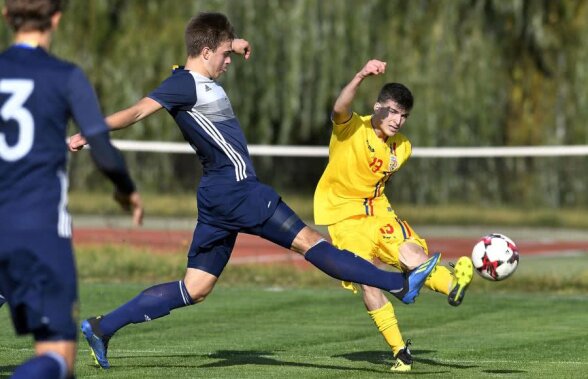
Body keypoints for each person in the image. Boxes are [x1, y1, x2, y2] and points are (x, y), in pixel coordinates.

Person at [67, 12, 441, 369]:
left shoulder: (199, 73)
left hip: (217, 196)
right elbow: (135, 112)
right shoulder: (182, 84)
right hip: (238, 189)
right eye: (224, 54)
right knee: (312, 243)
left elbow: (215, 49)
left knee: (195, 287)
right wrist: (90, 133)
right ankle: (399, 283)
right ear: (207, 51)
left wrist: (236, 42)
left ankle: (102, 327)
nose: (229, 62)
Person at [0, 0, 143, 378]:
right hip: (39, 229)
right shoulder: (64, 76)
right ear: (56, 19)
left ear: (6, 16)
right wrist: (125, 189)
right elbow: (103, 149)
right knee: (57, 358)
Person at [314, 59, 474, 372]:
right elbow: (338, 108)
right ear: (377, 108)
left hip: (378, 211)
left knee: (411, 253)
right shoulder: (351, 128)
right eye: (392, 111)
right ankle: (400, 352)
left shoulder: (402, 147)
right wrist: (360, 74)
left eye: (404, 115)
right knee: (368, 281)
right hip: (344, 218)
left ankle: (454, 287)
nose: (398, 120)